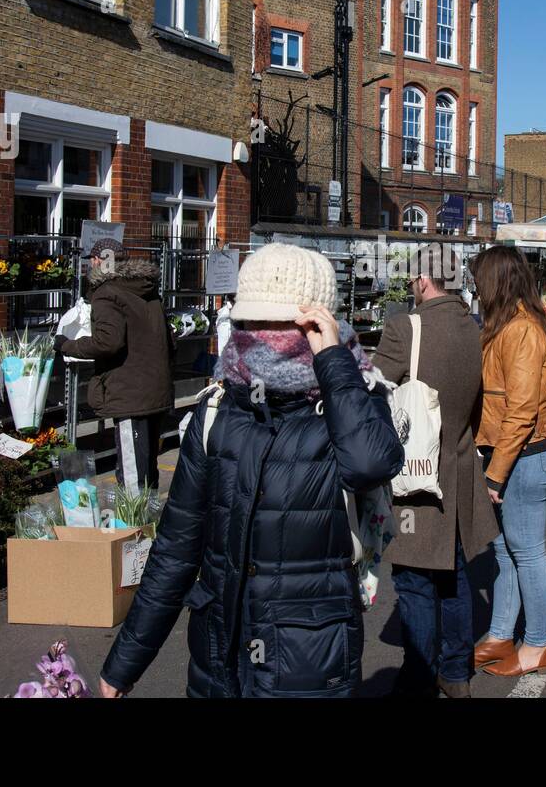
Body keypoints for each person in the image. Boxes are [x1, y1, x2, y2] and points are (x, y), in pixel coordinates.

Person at [97, 244, 403, 697]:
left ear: (318, 324)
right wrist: (123, 664)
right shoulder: (219, 409)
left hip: (308, 665)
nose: (260, 335)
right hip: (220, 661)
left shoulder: (351, 398)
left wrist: (334, 364)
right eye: (251, 321)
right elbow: (176, 548)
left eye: (277, 323)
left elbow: (371, 464)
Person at [374, 246, 497, 698]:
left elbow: (372, 392)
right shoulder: (473, 327)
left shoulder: (405, 327)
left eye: (411, 279)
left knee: (412, 578)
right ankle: (456, 672)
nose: (410, 286)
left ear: (425, 281)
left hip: (415, 473)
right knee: (454, 575)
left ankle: (418, 678)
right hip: (458, 468)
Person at [470, 246, 546, 678]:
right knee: (505, 552)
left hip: (526, 454)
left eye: (479, 279)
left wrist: (495, 473)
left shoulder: (522, 330)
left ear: (497, 282)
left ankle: (538, 645)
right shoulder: (506, 324)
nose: (474, 286)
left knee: (525, 552)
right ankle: (501, 634)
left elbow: (522, 411)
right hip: (511, 451)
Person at [56, 241, 173, 496]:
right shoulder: (148, 289)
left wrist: (67, 345)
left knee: (132, 475)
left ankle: (135, 531)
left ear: (98, 261)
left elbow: (107, 342)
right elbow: (168, 339)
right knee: (147, 468)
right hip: (155, 390)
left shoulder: (107, 292)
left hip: (129, 392)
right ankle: (149, 526)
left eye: (92, 261)